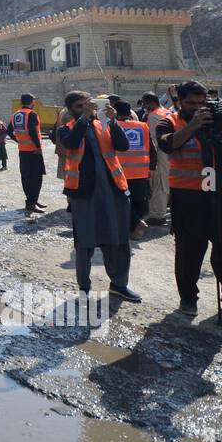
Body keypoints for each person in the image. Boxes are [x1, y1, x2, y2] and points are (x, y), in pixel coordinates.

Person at [155, 80, 222, 321]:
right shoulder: (169, 121)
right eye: (191, 103)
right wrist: (193, 125)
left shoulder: (219, 120)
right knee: (189, 250)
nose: (197, 108)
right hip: (189, 196)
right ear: (180, 102)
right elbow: (167, 145)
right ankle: (188, 297)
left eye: (202, 103)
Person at [57, 91, 141, 302]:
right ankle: (84, 288)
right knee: (85, 243)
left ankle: (119, 284)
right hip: (84, 195)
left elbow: (123, 146)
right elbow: (72, 143)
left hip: (113, 191)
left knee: (118, 240)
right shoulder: (65, 130)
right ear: (70, 110)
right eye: (79, 107)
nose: (86, 109)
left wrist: (113, 121)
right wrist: (84, 118)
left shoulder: (104, 125)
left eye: (88, 105)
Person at [113, 101, 153, 239]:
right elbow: (151, 147)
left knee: (123, 201)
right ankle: (136, 229)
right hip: (141, 171)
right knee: (138, 201)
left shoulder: (112, 127)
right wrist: (152, 167)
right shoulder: (143, 126)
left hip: (120, 172)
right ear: (130, 113)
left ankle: (134, 225)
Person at [11, 93, 46, 215]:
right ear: (32, 102)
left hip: (23, 150)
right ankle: (32, 203)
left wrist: (18, 140)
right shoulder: (32, 114)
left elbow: (9, 131)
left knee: (26, 176)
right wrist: (38, 146)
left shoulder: (16, 114)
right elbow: (32, 131)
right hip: (34, 151)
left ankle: (31, 201)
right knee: (36, 176)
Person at [141, 91, 172, 225]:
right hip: (171, 150)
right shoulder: (166, 111)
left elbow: (153, 139)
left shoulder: (153, 116)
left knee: (160, 182)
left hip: (161, 152)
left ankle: (157, 214)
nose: (144, 106)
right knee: (169, 181)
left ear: (150, 103)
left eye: (144, 103)